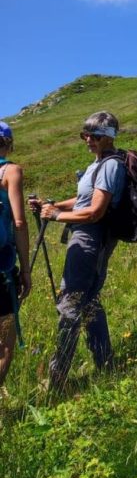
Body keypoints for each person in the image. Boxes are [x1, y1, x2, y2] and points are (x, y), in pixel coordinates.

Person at [30, 111, 126, 393]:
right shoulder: (97, 164)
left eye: (95, 136)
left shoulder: (110, 166)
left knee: (70, 305)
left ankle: (57, 378)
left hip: (90, 241)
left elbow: (95, 211)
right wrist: (56, 206)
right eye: (85, 135)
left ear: (109, 138)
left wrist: (56, 217)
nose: (89, 140)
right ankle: (106, 363)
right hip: (84, 238)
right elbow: (84, 198)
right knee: (90, 303)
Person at [0, 122, 31, 389]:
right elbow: (19, 223)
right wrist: (27, 271)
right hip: (2, 266)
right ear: (9, 144)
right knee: (4, 346)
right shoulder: (10, 171)